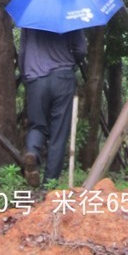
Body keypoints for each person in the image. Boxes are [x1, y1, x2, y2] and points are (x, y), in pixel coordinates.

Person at [19, 27, 87, 188]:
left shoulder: (30, 16)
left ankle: (32, 153)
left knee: (37, 125)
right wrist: (71, 60)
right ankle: (48, 185)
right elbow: (81, 50)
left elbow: (22, 51)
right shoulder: (70, 13)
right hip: (63, 77)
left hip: (35, 78)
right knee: (59, 133)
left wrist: (25, 75)